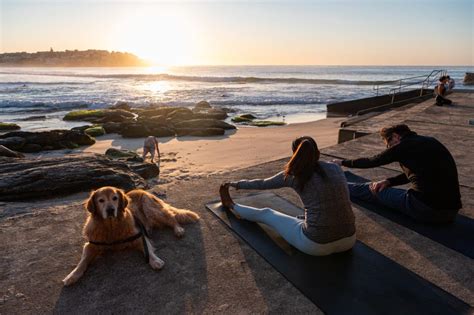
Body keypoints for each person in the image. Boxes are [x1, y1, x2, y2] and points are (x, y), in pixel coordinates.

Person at [220, 136, 356, 256]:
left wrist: (234, 184)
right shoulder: (336, 168)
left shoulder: (294, 174)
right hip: (349, 239)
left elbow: (262, 184)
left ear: (295, 155)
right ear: (318, 154)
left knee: (267, 213)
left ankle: (231, 204)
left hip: (315, 244)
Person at [333, 124, 462, 223]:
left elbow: (372, 161)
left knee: (371, 189)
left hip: (426, 210)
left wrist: (342, 162)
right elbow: (417, 172)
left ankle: (338, 186)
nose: (389, 148)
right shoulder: (430, 141)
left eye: (388, 145)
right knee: (382, 186)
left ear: (395, 136)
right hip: (451, 212)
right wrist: (389, 181)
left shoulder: (403, 146)